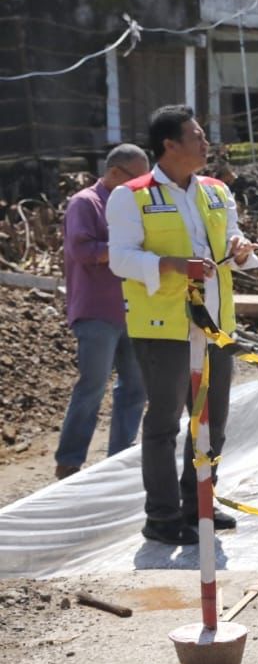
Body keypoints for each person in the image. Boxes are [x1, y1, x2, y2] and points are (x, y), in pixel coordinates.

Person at [106, 106, 258, 546]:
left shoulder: (214, 191)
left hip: (215, 325)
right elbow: (121, 259)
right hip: (163, 326)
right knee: (165, 422)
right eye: (196, 136)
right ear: (169, 145)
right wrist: (171, 264)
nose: (205, 142)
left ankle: (200, 505)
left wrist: (243, 250)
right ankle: (162, 516)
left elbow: (235, 240)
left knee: (213, 422)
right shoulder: (131, 195)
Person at [53, 144, 149, 480]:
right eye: (138, 178)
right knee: (92, 385)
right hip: (96, 310)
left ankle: (118, 461)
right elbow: (82, 249)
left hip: (132, 309)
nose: (142, 186)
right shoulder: (86, 203)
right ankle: (70, 462)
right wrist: (123, 252)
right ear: (115, 173)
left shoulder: (134, 205)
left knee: (136, 386)